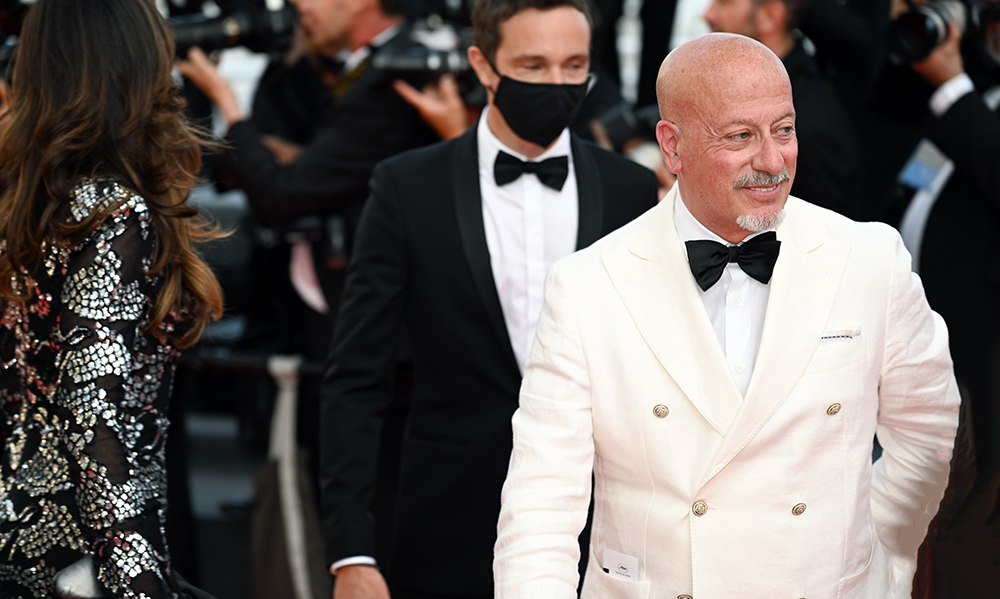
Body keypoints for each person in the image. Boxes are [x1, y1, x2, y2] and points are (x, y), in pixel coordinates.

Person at [493, 33, 960, 599]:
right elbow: (541, 501)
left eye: (783, 130)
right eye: (740, 136)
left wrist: (872, 553)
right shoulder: (587, 284)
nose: (772, 161)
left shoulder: (869, 259)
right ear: (672, 147)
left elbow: (928, 433)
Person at [319, 0, 659, 597]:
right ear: (483, 65)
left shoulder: (630, 189)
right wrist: (352, 551)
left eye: (573, 65)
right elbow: (356, 377)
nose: (556, 84)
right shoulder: (407, 186)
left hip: (598, 529)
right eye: (533, 65)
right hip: (445, 521)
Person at [0, 0, 224, 597]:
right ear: (138, 66)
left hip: (21, 533)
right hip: (80, 557)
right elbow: (94, 420)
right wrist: (138, 583)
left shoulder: (24, 203)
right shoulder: (112, 213)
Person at [177, 0, 439, 347]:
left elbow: (283, 195)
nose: (299, 6)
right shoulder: (376, 65)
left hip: (374, 320)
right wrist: (300, 157)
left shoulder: (396, 77)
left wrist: (227, 102)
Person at [894, 8, 1000, 596]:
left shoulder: (964, 99)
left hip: (982, 345)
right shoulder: (972, 97)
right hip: (922, 324)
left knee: (974, 509)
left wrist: (954, 85)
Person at [702, 0, 863, 217]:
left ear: (770, 17)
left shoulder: (812, 124)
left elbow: (819, 226)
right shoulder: (728, 86)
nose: (709, 14)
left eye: (724, 3)